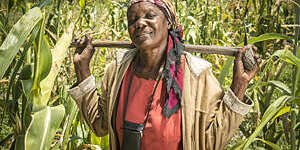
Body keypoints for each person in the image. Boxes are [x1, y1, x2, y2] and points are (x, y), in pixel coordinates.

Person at [68, 0, 261, 150]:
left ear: (168, 22)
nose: (140, 23)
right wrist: (82, 69)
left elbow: (211, 142)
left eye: (149, 16)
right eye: (132, 20)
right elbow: (99, 125)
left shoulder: (196, 75)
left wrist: (240, 84)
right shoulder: (119, 70)